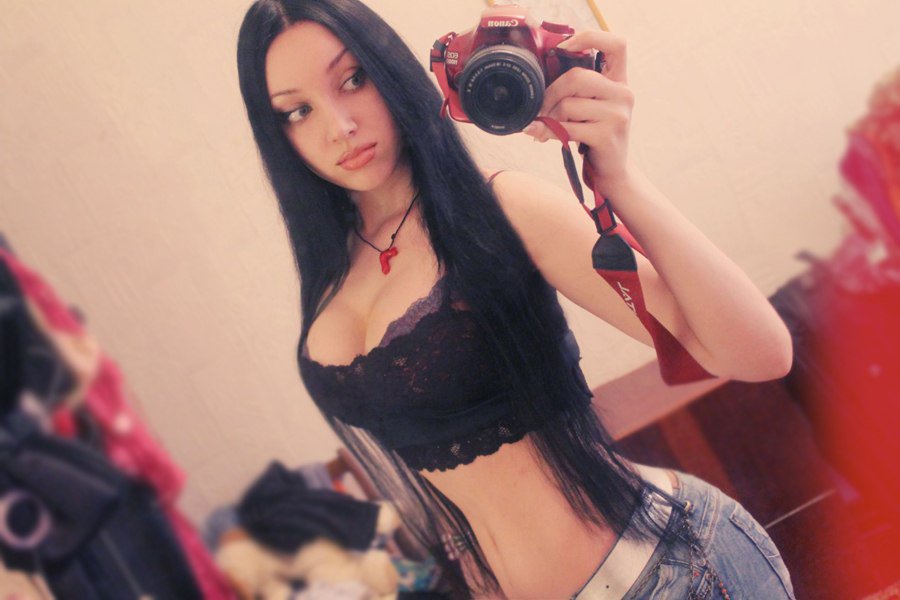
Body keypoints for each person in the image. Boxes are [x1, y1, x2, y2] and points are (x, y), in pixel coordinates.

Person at [236, 1, 796, 598]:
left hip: (668, 574)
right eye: (297, 111)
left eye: (353, 79)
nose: (338, 125)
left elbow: (759, 355)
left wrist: (618, 177)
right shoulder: (331, 275)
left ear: (390, 69)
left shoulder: (501, 210)